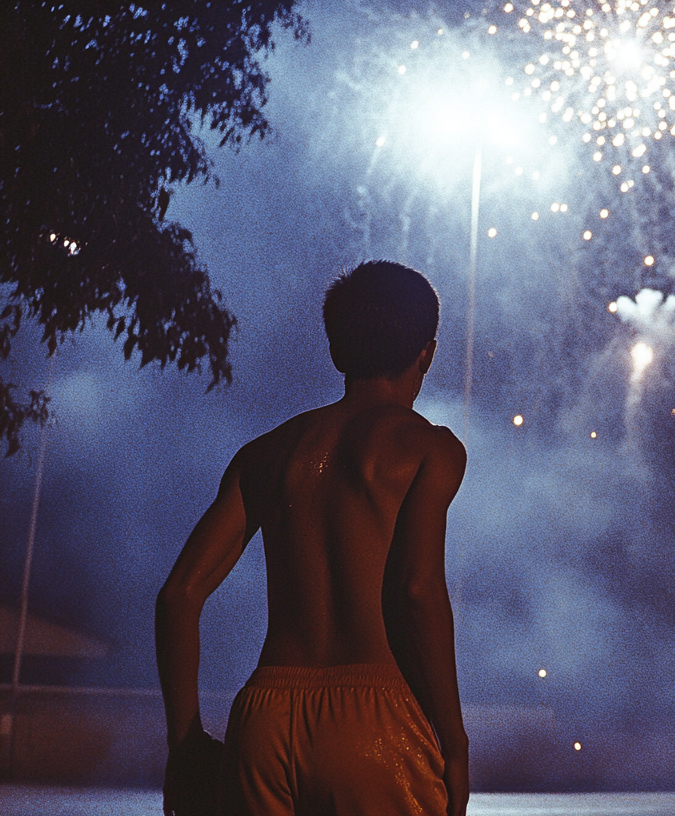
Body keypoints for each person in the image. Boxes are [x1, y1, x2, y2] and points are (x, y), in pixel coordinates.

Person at [156, 261, 469, 816]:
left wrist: (184, 746)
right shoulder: (431, 449)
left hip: (264, 716)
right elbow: (416, 590)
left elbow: (179, 596)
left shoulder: (264, 454)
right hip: (379, 719)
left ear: (335, 349)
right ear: (427, 352)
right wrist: (455, 742)